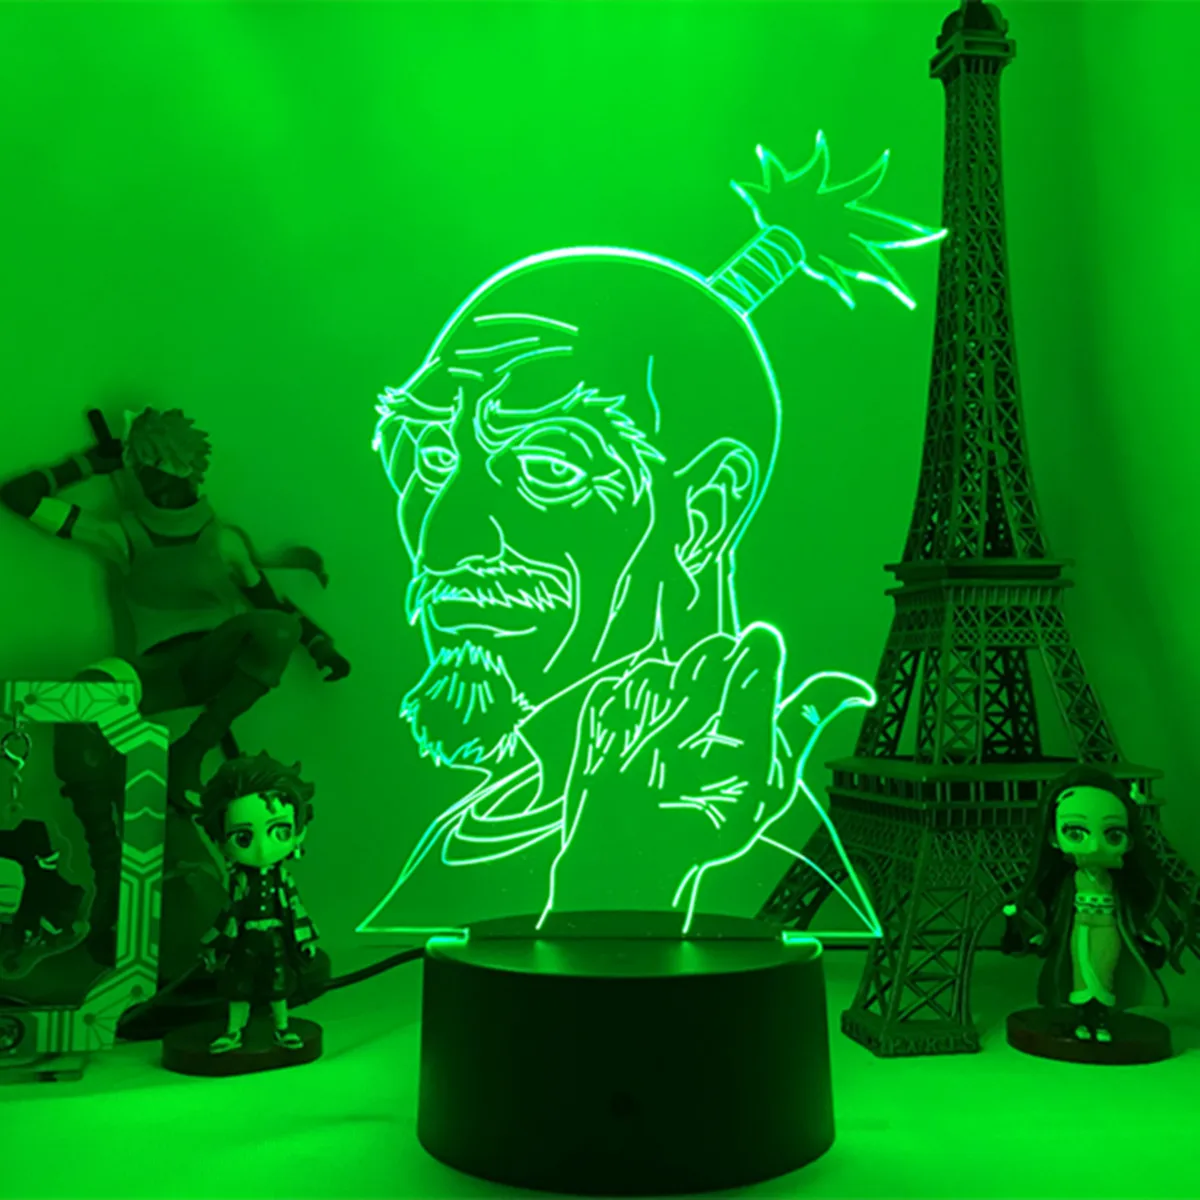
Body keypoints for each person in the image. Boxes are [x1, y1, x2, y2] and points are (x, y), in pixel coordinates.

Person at [361, 248, 877, 935]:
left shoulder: (757, 858)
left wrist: (630, 870)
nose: (443, 542)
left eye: (548, 467)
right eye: (433, 459)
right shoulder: (471, 831)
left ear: (704, 514)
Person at [0, 406, 351, 808]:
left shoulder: (223, 541)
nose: (150, 477)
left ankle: (191, 750)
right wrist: (86, 465)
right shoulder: (121, 536)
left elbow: (274, 610)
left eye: (158, 466)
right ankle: (104, 837)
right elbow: (19, 496)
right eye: (143, 466)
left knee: (277, 629)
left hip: (215, 658)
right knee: (81, 704)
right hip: (157, 672)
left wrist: (318, 644)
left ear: (185, 467)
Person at [1002, 766, 1192, 1042]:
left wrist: (1144, 934)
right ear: (1053, 837)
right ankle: (1083, 1018)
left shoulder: (1116, 883)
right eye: (1075, 833)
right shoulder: (1069, 882)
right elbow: (1052, 909)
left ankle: (1100, 1019)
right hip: (1079, 929)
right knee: (1081, 975)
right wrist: (1037, 929)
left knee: (1104, 974)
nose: (1094, 847)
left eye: (1113, 835)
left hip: (1107, 929)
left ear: (1129, 840)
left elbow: (1132, 910)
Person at [195, 753, 319, 1053]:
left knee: (278, 984)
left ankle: (282, 1028)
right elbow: (229, 913)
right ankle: (233, 1031)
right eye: (243, 838)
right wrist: (213, 942)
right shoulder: (240, 883)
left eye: (280, 832)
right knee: (238, 986)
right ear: (221, 842)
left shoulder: (283, 880)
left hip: (274, 938)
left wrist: (305, 937)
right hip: (245, 939)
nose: (262, 849)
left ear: (299, 832)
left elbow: (296, 909)